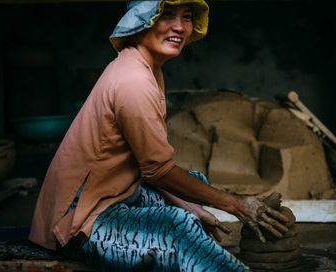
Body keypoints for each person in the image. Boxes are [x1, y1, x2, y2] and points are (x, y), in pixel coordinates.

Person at [29, 0, 289, 271]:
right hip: (79, 221)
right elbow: (158, 171)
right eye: (166, 15)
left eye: (186, 17)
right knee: (177, 225)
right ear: (139, 21)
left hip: (115, 194)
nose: (179, 27)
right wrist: (237, 205)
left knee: (193, 187)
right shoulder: (133, 81)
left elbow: (147, 167)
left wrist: (192, 205)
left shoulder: (146, 67)